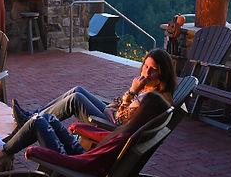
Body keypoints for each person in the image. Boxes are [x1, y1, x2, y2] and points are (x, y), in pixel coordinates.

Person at [0, 92, 170, 177]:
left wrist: (37, 152)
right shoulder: (132, 133)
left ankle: (0, 154)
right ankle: (7, 148)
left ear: (143, 112)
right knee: (47, 118)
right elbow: (106, 139)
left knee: (38, 122)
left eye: (137, 100)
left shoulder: (123, 140)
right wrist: (82, 127)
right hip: (83, 164)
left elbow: (84, 165)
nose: (133, 101)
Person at [12, 49, 176, 128]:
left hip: (110, 129)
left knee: (76, 100)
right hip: (112, 116)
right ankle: (32, 116)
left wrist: (132, 91)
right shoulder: (148, 87)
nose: (146, 71)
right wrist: (110, 108)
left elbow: (121, 120)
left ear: (163, 73)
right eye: (145, 66)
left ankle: (30, 122)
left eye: (153, 69)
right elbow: (119, 103)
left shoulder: (151, 97)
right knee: (78, 89)